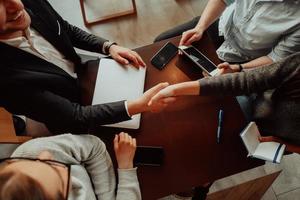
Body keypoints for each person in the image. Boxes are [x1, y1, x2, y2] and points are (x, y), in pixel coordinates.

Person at [0, 0, 174, 134]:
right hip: (76, 118)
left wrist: (108, 46)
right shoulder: (5, 82)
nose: (16, 5)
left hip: (89, 76)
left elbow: (64, 29)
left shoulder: (28, 3)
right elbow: (73, 117)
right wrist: (137, 106)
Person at [149, 52, 300, 144]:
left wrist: (285, 145)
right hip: (256, 103)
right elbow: (246, 81)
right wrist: (175, 89)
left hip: (276, 140)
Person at [155, 0, 300, 73]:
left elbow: (274, 58)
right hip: (217, 25)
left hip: (241, 57)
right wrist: (200, 27)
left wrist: (238, 68)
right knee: (160, 41)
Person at [0, 132, 141, 200]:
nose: (45, 155)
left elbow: (94, 147)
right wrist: (125, 167)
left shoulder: (27, 153)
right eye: (53, 168)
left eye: (14, 162)